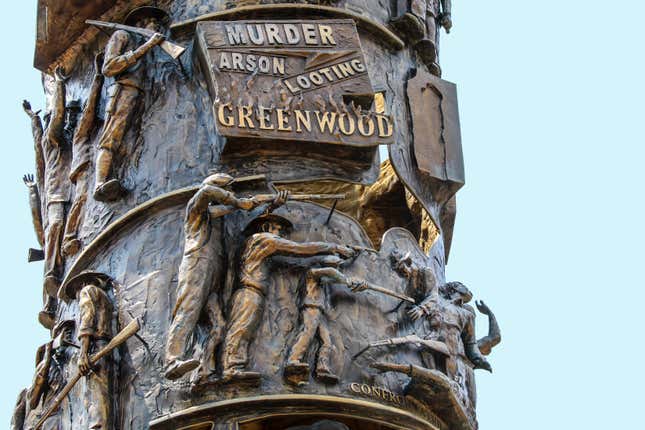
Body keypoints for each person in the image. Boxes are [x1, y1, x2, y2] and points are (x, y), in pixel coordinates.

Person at [164, 174, 285, 381]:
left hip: (214, 276)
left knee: (218, 325)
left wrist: (270, 204)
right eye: (228, 190)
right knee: (188, 311)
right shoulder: (196, 209)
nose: (230, 194)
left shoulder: (217, 215)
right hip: (196, 269)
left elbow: (241, 213)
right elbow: (206, 192)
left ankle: (204, 370)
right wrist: (239, 202)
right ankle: (172, 360)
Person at [221, 213, 356, 384]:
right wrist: (334, 247)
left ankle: (235, 366)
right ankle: (231, 368)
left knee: (246, 329)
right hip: (249, 292)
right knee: (242, 328)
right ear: (266, 227)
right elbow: (299, 249)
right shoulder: (263, 239)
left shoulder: (261, 243)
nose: (281, 235)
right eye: (279, 229)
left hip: (255, 292)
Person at [93, 6, 169, 201]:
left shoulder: (151, 43)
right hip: (125, 90)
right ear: (142, 22)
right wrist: (146, 46)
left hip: (146, 95)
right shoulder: (122, 35)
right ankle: (100, 184)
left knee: (134, 144)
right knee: (111, 138)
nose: (157, 26)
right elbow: (109, 67)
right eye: (154, 22)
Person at [23, 66, 73, 328]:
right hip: (57, 195)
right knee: (55, 229)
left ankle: (52, 296)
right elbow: (57, 118)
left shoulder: (60, 141)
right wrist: (62, 86)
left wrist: (33, 120)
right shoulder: (54, 139)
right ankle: (50, 293)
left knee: (60, 235)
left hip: (68, 194)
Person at [285, 259, 368, 385]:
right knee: (307, 333)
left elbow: (334, 278)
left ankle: (322, 367)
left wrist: (356, 283)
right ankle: (293, 360)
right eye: (335, 264)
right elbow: (331, 273)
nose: (337, 267)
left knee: (327, 341)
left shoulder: (322, 280)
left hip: (320, 311)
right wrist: (346, 279)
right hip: (311, 307)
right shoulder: (312, 272)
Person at [62, 52, 105, 256]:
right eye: (71, 113)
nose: (73, 116)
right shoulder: (78, 130)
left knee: (81, 199)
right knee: (81, 199)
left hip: (84, 164)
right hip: (84, 166)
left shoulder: (75, 131)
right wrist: (97, 75)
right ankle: (69, 237)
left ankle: (71, 235)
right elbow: (89, 110)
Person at [62, 272, 114, 430]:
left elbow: (87, 320)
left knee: (95, 400)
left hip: (94, 350)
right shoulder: (104, 296)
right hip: (105, 348)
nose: (77, 296)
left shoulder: (88, 291)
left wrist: (83, 353)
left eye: (76, 291)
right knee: (103, 399)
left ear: (82, 284)